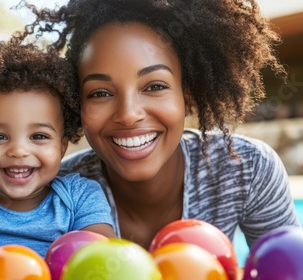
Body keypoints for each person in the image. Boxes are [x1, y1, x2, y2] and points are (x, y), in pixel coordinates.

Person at [18, 0, 300, 252]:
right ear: (77, 104)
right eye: (100, 93)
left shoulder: (247, 169)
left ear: (187, 95)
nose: (128, 115)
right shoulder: (52, 190)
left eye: (154, 86)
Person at [0, 39, 116, 274]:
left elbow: (103, 253)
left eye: (38, 136)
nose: (18, 150)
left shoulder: (81, 197)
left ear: (62, 147)